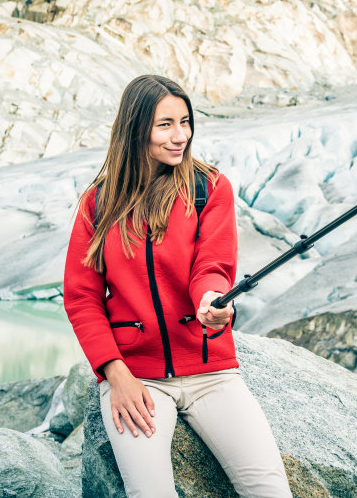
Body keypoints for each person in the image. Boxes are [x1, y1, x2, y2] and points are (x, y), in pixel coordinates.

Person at [62, 74, 292, 498]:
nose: (180, 136)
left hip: (213, 374)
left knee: (270, 490)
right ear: (135, 128)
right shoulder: (98, 202)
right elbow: (81, 297)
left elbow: (212, 264)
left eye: (185, 122)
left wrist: (210, 300)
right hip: (138, 378)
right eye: (165, 124)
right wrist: (116, 376)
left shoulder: (208, 188)